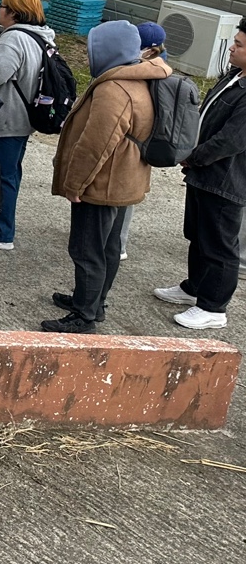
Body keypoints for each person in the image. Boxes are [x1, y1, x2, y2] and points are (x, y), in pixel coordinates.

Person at [43, 20, 168, 334]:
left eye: (92, 49)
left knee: (87, 250)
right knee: (108, 247)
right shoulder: (137, 78)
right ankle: (93, 302)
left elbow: (96, 144)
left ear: (109, 50)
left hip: (101, 183)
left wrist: (75, 184)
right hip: (123, 179)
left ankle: (84, 316)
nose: (88, 56)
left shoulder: (114, 88)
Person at [155, 19, 246, 330]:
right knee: (199, 234)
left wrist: (193, 157)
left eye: (240, 45)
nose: (232, 48)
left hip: (225, 180)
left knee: (220, 244)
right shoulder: (234, 76)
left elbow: (231, 140)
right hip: (203, 174)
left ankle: (213, 307)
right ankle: (195, 287)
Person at [0, 0, 57, 250]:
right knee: (9, 174)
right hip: (24, 118)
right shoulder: (42, 37)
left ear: (13, 12)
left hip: (7, 118)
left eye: (1, 6)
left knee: (1, 176)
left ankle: (0, 233)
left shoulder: (13, 39)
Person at [117, 21, 169, 261]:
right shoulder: (163, 68)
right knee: (127, 192)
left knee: (122, 192)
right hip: (146, 142)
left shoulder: (143, 73)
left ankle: (118, 244)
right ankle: (118, 242)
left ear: (147, 49)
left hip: (133, 139)